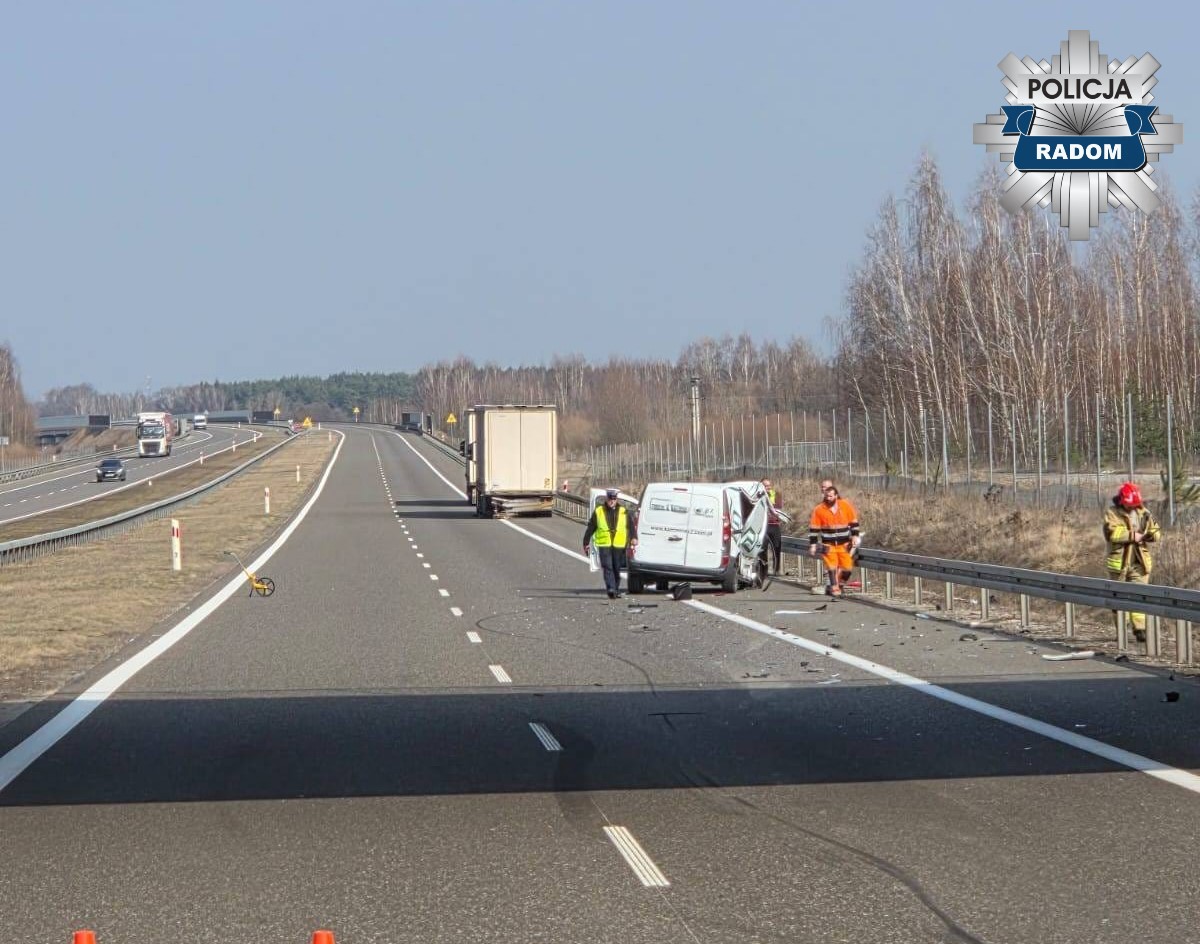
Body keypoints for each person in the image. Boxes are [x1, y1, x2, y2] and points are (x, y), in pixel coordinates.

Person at [1103, 481, 1161, 643]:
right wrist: (1131, 535)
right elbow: (1110, 533)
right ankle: (1122, 628)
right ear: (1122, 501)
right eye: (1130, 504)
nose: (1132, 507)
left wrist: (1150, 535)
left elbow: (1156, 531)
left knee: (1139, 594)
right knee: (1118, 598)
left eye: (1135, 504)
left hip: (1139, 562)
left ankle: (1140, 629)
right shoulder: (1112, 513)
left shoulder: (1144, 513)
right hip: (1119, 563)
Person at [808, 479, 861, 596]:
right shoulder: (819, 509)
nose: (828, 498)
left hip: (844, 544)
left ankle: (840, 585)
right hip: (828, 544)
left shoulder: (845, 506)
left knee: (847, 568)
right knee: (831, 567)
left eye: (831, 496)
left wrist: (855, 536)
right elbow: (814, 529)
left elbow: (854, 522)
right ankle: (834, 589)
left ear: (836, 495)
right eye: (826, 496)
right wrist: (813, 544)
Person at [584, 488, 638, 599]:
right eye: (610, 499)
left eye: (614, 499)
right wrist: (586, 542)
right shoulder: (599, 511)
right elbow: (591, 527)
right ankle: (611, 589)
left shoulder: (623, 511)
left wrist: (634, 537)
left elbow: (631, 526)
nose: (612, 501)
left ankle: (615, 589)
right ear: (606, 499)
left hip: (619, 544)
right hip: (604, 544)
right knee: (607, 566)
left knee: (616, 568)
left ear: (616, 499)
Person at [762, 478, 783, 575]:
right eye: (765, 486)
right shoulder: (758, 495)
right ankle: (764, 570)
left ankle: (776, 569)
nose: (768, 487)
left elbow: (777, 507)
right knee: (763, 549)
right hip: (763, 526)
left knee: (776, 548)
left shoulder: (776, 494)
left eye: (769, 485)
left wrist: (768, 503)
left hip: (774, 525)